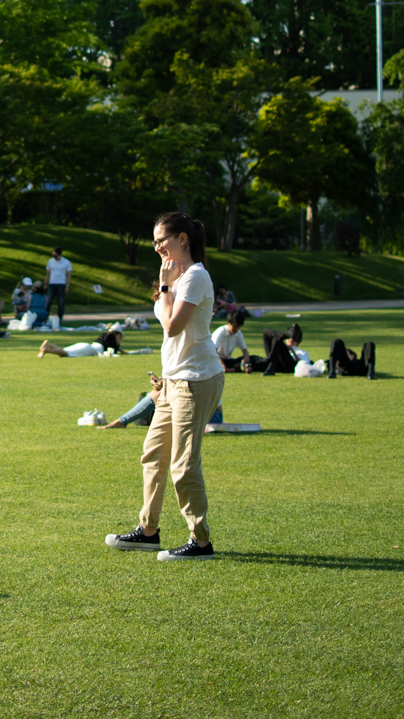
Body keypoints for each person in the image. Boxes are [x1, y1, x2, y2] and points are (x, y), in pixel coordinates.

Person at [106, 211, 225, 561]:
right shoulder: (177, 277)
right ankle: (148, 531)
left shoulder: (194, 278)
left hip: (196, 379)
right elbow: (165, 316)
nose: (157, 246)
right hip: (174, 380)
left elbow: (172, 326)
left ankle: (200, 542)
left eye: (162, 239)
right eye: (155, 240)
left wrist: (165, 286)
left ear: (182, 239)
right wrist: (164, 285)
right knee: (153, 455)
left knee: (183, 465)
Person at [38, 329, 122, 358]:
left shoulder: (104, 336)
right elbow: (113, 349)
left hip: (87, 345)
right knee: (66, 353)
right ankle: (46, 350)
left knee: (65, 351)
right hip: (90, 349)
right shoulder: (111, 337)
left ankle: (49, 344)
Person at [45, 247, 73, 325]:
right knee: (48, 301)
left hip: (61, 283)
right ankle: (45, 318)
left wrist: (67, 286)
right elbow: (48, 273)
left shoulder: (66, 262)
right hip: (52, 283)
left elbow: (69, 275)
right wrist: (45, 284)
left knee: (61, 303)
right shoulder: (50, 261)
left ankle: (59, 319)